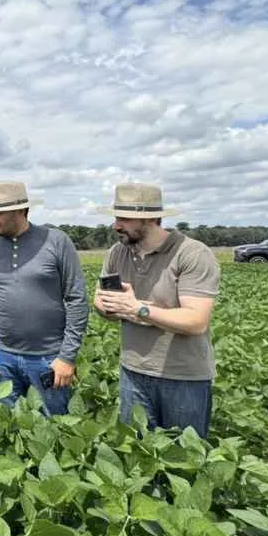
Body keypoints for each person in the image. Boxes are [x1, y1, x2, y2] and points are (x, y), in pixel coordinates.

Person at [94, 182, 220, 438]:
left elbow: (196, 321)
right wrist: (108, 307)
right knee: (135, 458)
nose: (116, 225)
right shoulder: (117, 253)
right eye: (117, 217)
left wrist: (139, 310)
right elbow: (100, 300)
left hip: (183, 377)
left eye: (125, 219)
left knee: (185, 460)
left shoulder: (192, 254)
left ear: (150, 218)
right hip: (132, 372)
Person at [0, 180, 88, 415]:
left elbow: (77, 299)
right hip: (1, 358)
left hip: (48, 359)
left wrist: (67, 356)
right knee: (6, 427)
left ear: (19, 211)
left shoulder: (56, 241)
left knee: (54, 429)